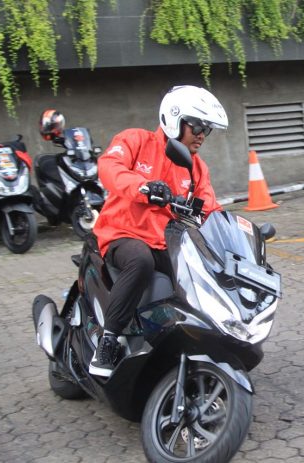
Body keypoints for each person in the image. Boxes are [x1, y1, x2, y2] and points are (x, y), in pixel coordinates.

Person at [89, 85, 228, 377]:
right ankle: (108, 340)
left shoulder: (195, 167)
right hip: (122, 234)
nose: (202, 135)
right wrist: (142, 186)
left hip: (165, 242)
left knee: (200, 272)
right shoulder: (136, 140)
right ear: (175, 119)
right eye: (198, 127)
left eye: (206, 130)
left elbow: (210, 207)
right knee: (140, 260)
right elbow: (109, 167)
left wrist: (236, 235)